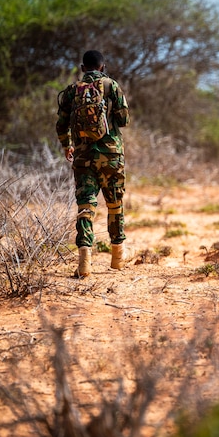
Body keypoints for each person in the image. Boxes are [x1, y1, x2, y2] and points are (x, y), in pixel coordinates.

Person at [56, 50, 131, 278]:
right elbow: (124, 120)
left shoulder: (72, 91)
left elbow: (61, 124)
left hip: (83, 156)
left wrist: (67, 145)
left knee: (86, 205)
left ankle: (84, 262)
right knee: (115, 204)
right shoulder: (111, 86)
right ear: (102, 67)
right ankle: (117, 257)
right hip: (111, 155)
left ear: (82, 67)